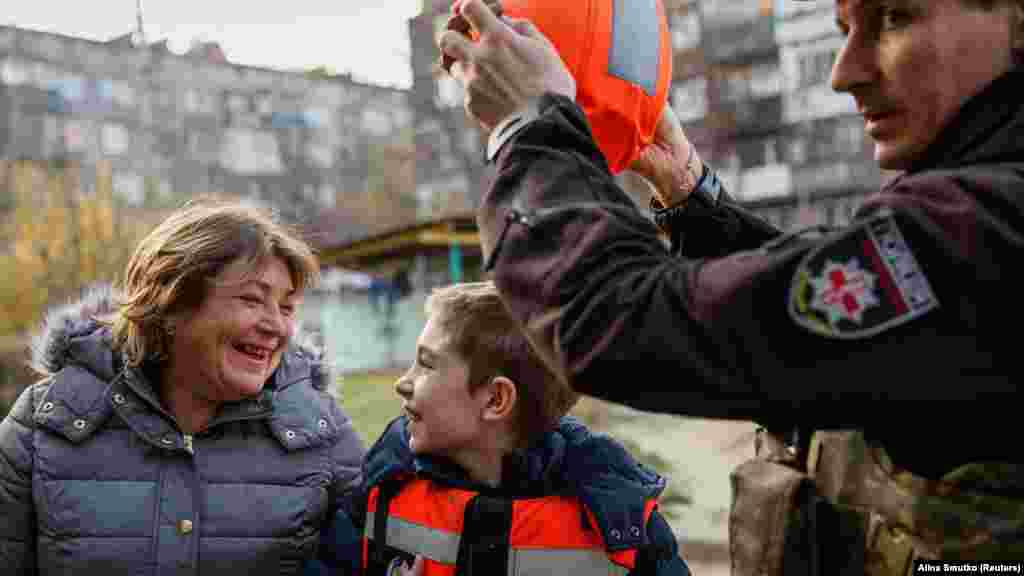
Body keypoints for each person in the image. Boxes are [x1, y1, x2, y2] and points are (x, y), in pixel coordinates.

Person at [438, 0, 1024, 571]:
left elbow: (615, 319)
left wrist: (530, 126)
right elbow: (807, 325)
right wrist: (692, 199)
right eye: (844, 29)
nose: (844, 72)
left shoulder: (979, 231)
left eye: (894, 17)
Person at [0, 199, 365, 574]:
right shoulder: (42, 427)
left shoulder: (322, 434)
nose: (276, 326)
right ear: (172, 304)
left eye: (287, 308)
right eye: (252, 300)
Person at [307, 281, 691, 576]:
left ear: (495, 401)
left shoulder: (622, 525)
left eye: (426, 364)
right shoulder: (383, 487)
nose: (402, 383)